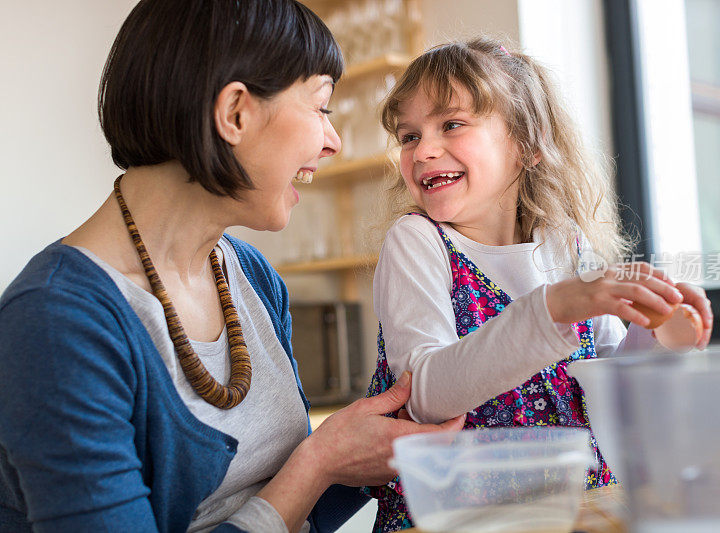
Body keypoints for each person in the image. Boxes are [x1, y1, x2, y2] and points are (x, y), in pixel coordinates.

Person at [0, 1, 465, 532]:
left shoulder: (250, 276)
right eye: (321, 107)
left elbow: (283, 509)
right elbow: (297, 484)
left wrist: (373, 451)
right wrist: (318, 463)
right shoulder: (56, 324)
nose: (332, 141)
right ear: (236, 114)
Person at [364, 38, 714, 531]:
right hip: (459, 520)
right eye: (408, 136)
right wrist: (552, 309)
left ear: (527, 144)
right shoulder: (418, 241)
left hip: (578, 512)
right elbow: (424, 392)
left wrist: (661, 333)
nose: (423, 151)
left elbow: (613, 388)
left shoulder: (565, 246)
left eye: (451, 125)